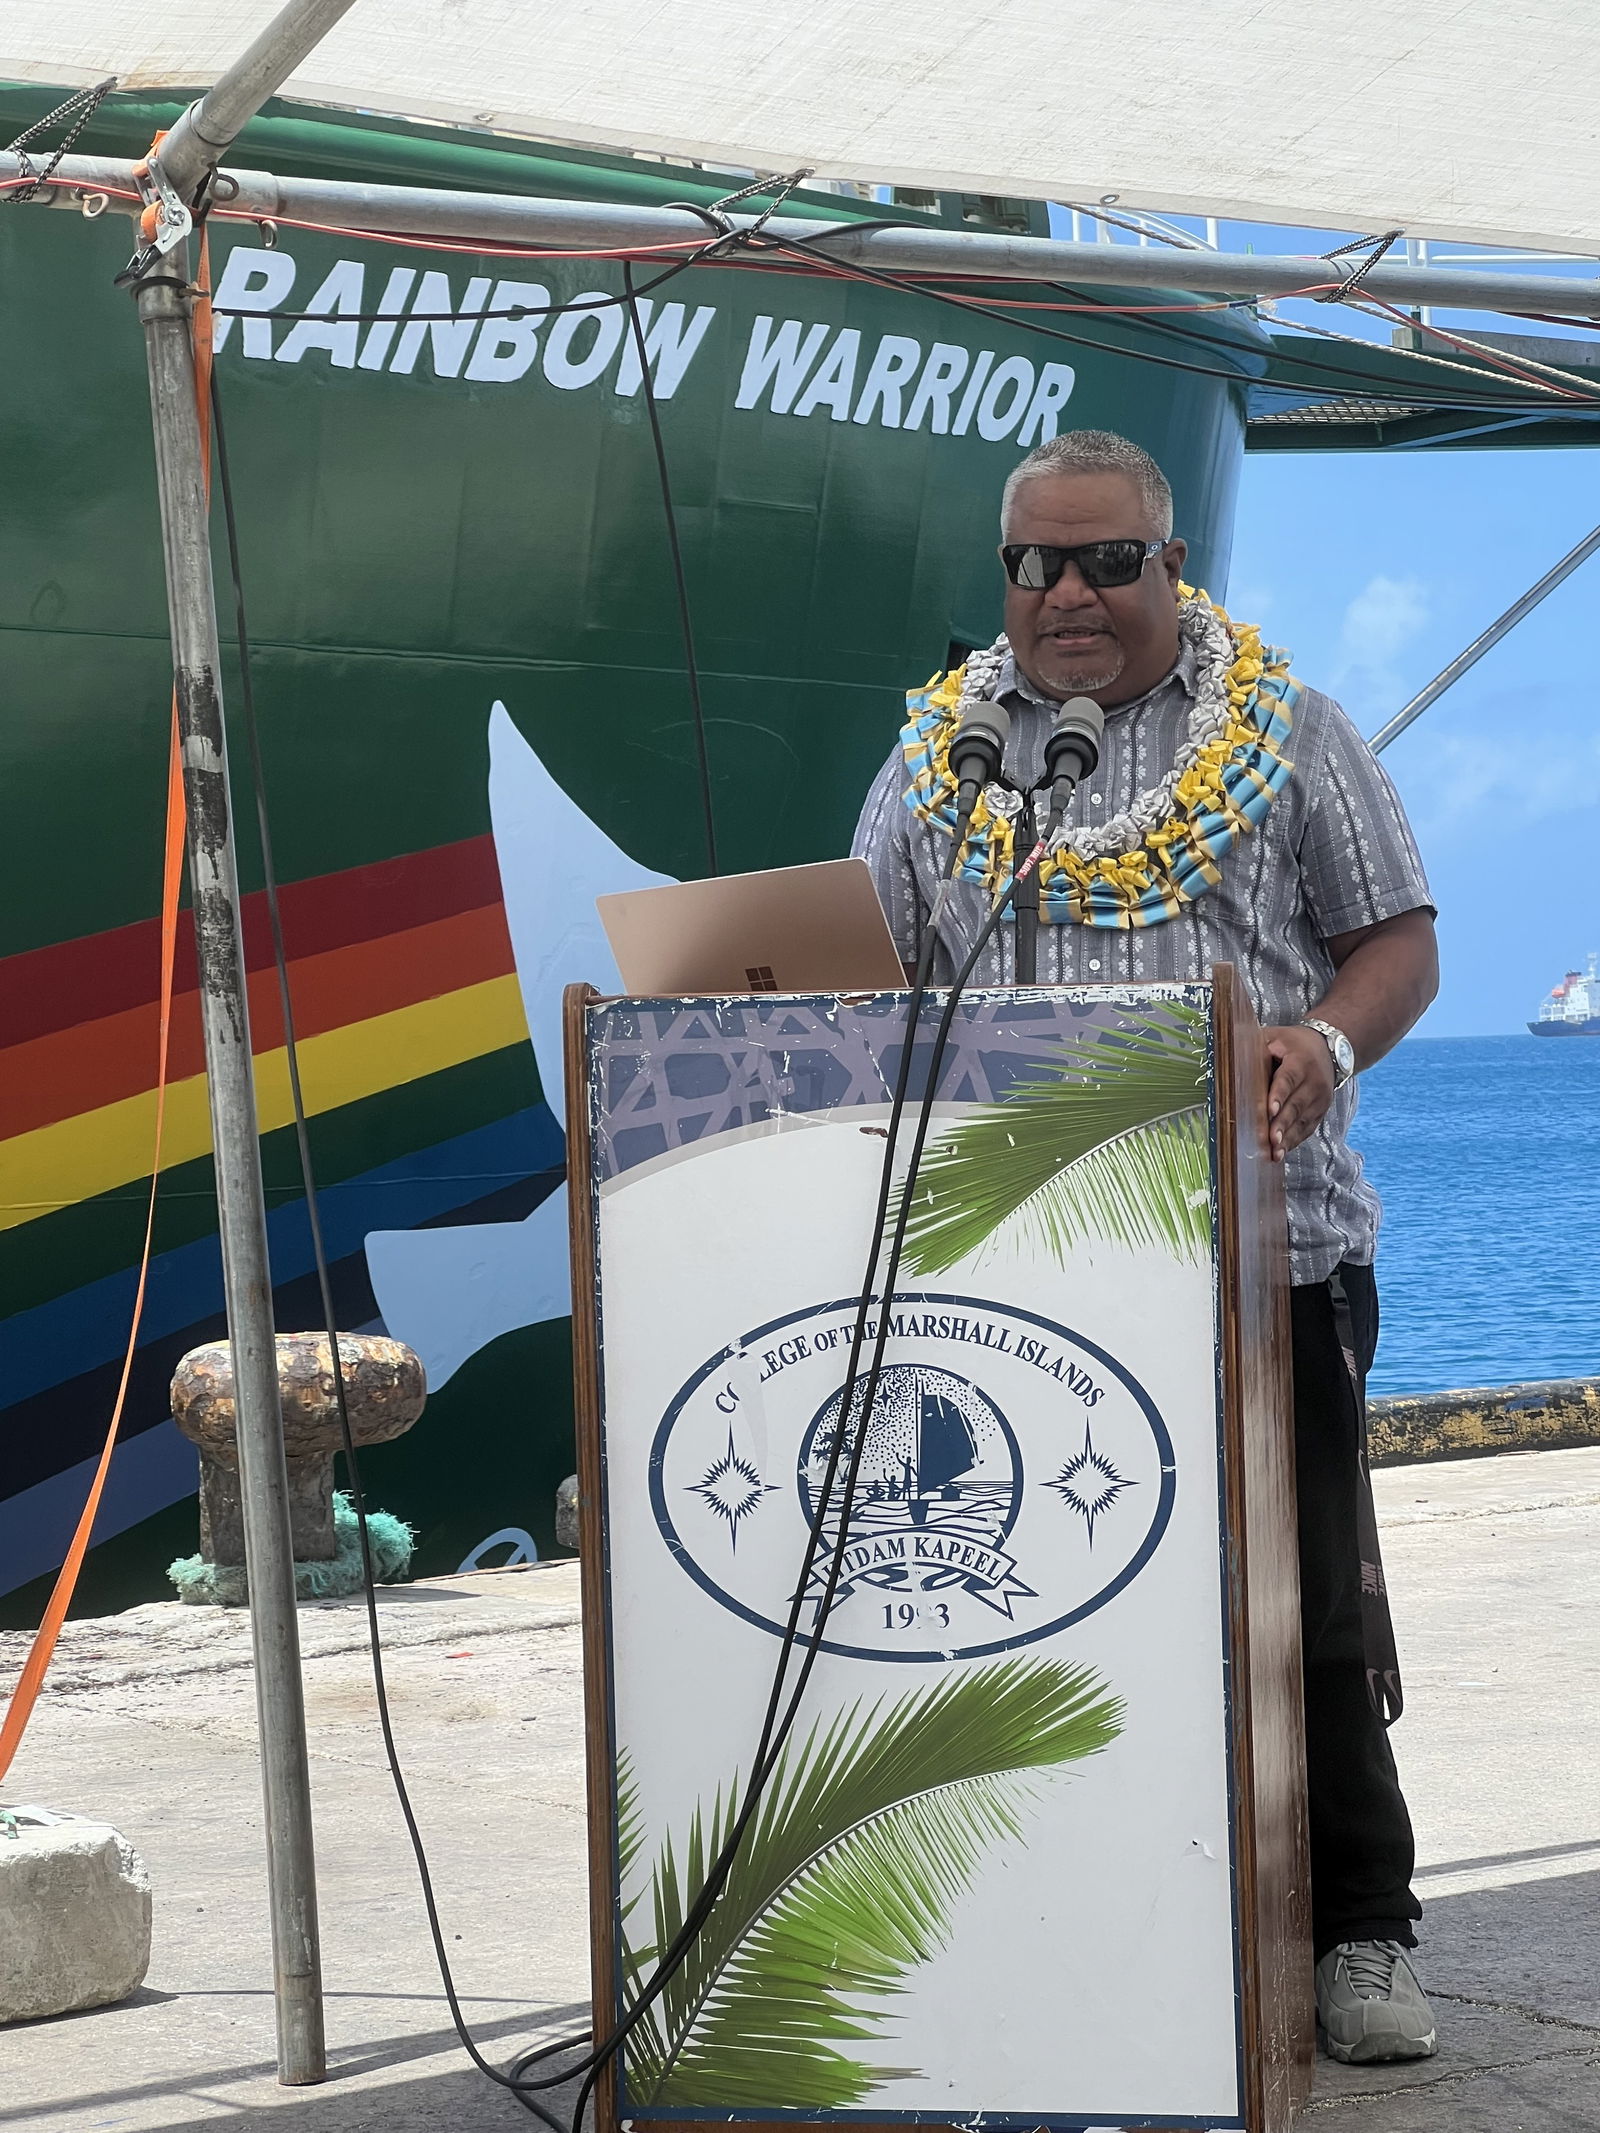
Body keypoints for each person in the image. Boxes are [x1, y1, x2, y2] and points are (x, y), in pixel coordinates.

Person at [852, 428, 1440, 2066]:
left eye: (1107, 560)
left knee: (1306, 1599)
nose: (1068, 595)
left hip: (1269, 1248)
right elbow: (861, 974)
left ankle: (1364, 1930)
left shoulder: (1290, 733)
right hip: (1020, 1275)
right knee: (1051, 1599)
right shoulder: (937, 766)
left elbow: (1400, 940)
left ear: (1172, 568)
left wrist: (1321, 1040)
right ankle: (1086, 1919)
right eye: (1035, 564)